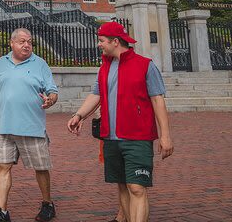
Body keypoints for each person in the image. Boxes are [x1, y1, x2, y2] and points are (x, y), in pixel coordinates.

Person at [67, 22, 173, 222]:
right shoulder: (105, 67)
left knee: (137, 187)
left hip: (138, 137)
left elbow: (158, 100)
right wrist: (79, 115)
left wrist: (165, 136)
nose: (99, 45)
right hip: (111, 137)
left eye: (101, 41)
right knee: (122, 185)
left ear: (115, 42)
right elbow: (96, 95)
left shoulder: (145, 65)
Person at [0, 28, 59, 222]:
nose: (27, 45)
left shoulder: (40, 64)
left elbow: (52, 91)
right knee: (3, 167)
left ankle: (47, 205)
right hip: (5, 128)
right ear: (12, 43)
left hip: (32, 127)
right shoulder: (1, 63)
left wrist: (50, 100)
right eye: (22, 41)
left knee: (41, 168)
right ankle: (2, 211)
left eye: (30, 42)